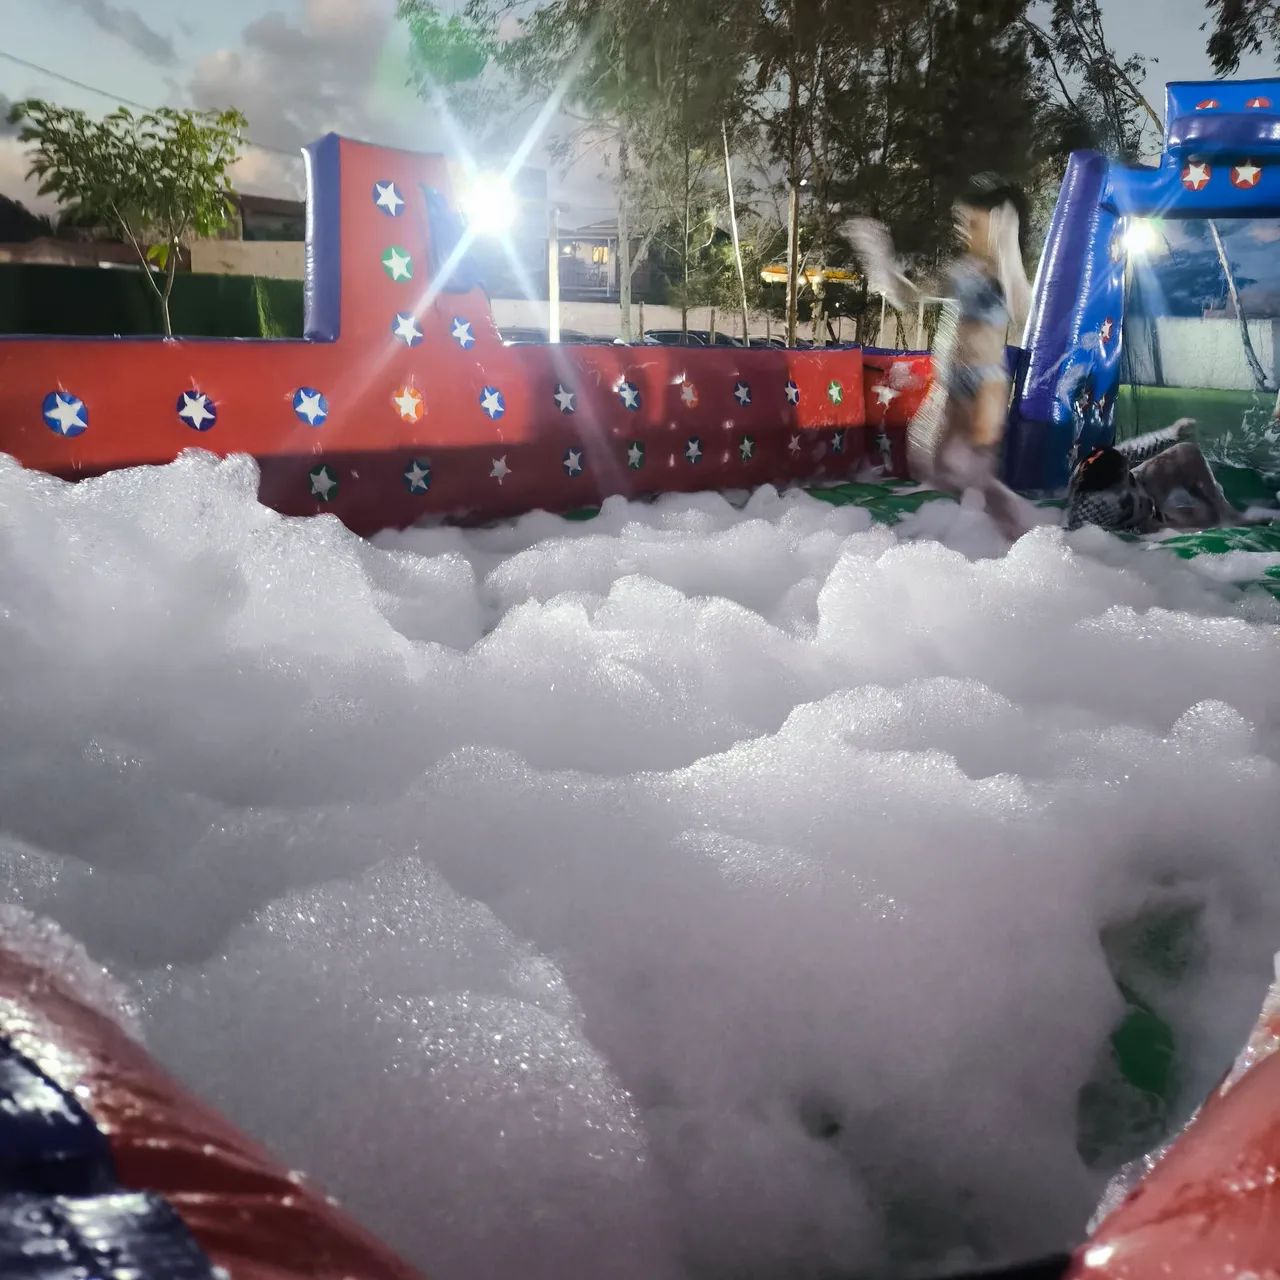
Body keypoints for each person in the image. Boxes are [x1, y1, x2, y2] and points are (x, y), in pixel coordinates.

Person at [847, 175, 1038, 540]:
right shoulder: (959, 269)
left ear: (997, 223)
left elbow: (1023, 308)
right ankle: (963, 540)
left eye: (973, 222)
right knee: (931, 466)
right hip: (950, 379)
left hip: (986, 382)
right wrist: (881, 262)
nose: (963, 229)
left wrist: (1009, 247)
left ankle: (1021, 539)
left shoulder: (1004, 272)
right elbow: (910, 298)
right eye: (961, 222)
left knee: (975, 478)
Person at [1064, 418, 1250, 533]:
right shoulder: (1089, 514)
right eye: (1126, 477)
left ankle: (1225, 510)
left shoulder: (1106, 463)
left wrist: (1171, 434)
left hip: (1140, 502)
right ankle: (1194, 522)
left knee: (1185, 453)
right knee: (1186, 525)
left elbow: (1133, 450)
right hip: (1132, 526)